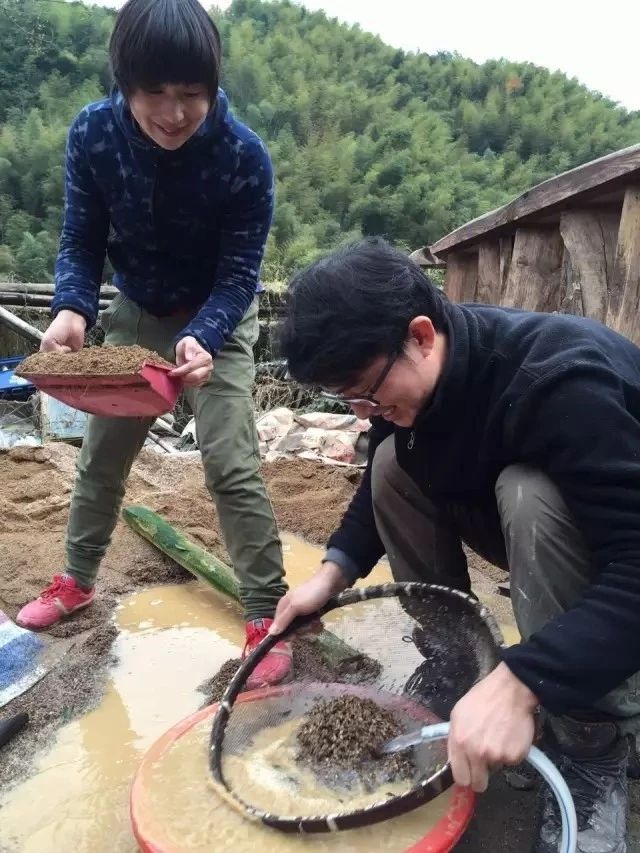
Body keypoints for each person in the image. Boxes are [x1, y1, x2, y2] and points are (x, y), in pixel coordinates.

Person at [271, 237, 640, 852]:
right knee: (389, 462)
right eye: (349, 403)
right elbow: (377, 484)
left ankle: (591, 741)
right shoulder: (414, 392)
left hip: (615, 550)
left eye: (367, 392)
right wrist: (332, 572)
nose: (364, 415)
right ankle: (455, 662)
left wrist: (524, 680)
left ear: (419, 334)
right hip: (552, 530)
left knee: (529, 492)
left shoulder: (562, 385)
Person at [16, 0, 292, 688]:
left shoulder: (243, 157)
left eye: (191, 94)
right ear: (125, 84)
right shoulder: (93, 136)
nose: (174, 113)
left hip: (218, 318)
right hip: (137, 311)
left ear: (212, 84)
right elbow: (81, 241)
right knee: (103, 457)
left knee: (229, 460)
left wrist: (205, 332)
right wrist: (74, 308)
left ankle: (267, 611)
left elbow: (239, 274)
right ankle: (75, 581)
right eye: (155, 94)